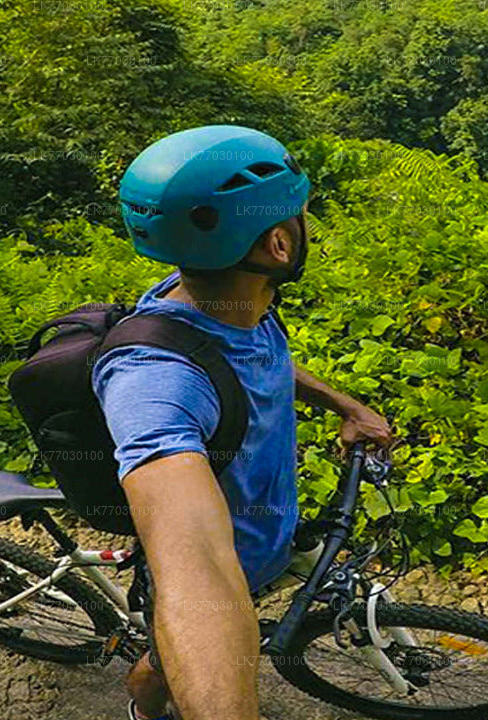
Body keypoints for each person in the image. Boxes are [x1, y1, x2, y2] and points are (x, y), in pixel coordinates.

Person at [91, 125, 394, 720]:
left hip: (269, 535)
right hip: (229, 569)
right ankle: (143, 709)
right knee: (163, 664)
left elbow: (258, 360)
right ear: (278, 245)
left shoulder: (222, 299)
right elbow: (193, 558)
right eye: (303, 217)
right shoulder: (154, 379)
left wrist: (344, 406)